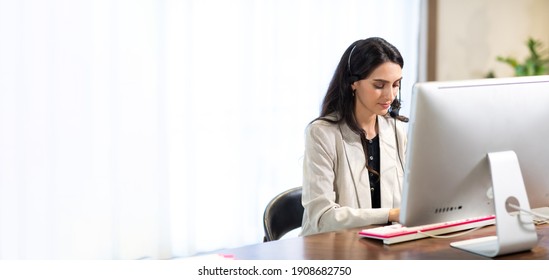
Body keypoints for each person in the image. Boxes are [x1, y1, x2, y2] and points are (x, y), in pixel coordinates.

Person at [300, 37, 408, 236]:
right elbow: (322, 218)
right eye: (379, 85)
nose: (390, 96)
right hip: (330, 250)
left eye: (395, 85)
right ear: (353, 83)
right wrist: (390, 214)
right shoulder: (321, 133)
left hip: (383, 248)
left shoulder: (396, 130)